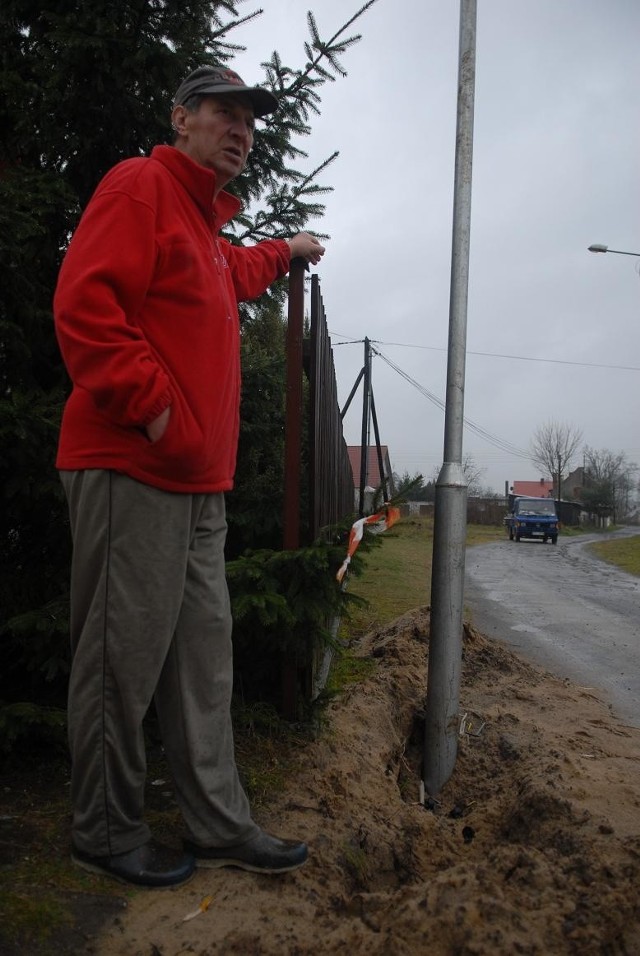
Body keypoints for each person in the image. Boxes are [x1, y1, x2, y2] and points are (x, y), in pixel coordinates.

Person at [53, 64, 325, 888]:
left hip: (200, 487)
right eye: (223, 114)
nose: (240, 130)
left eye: (249, 121)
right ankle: (103, 829)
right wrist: (158, 410)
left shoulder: (206, 232)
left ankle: (217, 822)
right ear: (181, 118)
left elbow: (233, 275)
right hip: (131, 464)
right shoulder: (140, 187)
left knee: (204, 661)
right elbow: (84, 303)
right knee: (120, 658)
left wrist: (286, 250)